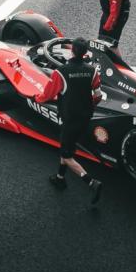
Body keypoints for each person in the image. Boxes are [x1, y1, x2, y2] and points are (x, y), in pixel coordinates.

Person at [37, 37, 104, 204]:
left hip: (70, 118)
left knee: (67, 155)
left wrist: (36, 98)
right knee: (66, 145)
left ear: (72, 51)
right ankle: (60, 177)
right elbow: (98, 96)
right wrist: (91, 105)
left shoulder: (61, 72)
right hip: (86, 116)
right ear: (85, 52)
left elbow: (47, 95)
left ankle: (91, 182)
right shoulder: (92, 71)